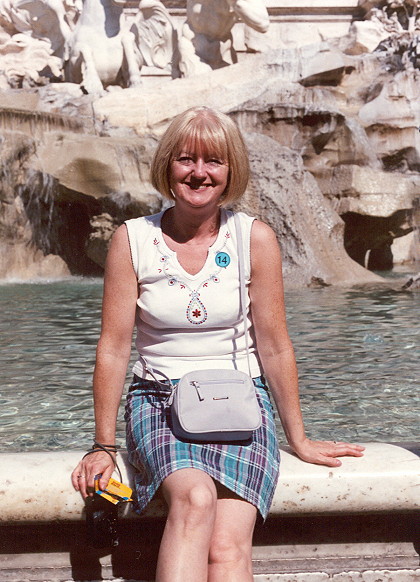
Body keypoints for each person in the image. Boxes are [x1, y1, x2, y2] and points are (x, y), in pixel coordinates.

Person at [71, 106, 364, 581]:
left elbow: (274, 346)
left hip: (241, 403)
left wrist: (299, 438)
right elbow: (113, 347)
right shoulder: (133, 239)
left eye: (214, 161)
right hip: (159, 400)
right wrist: (104, 444)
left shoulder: (255, 239)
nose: (199, 173)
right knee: (195, 497)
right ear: (168, 166)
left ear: (231, 172)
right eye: (186, 159)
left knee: (228, 550)